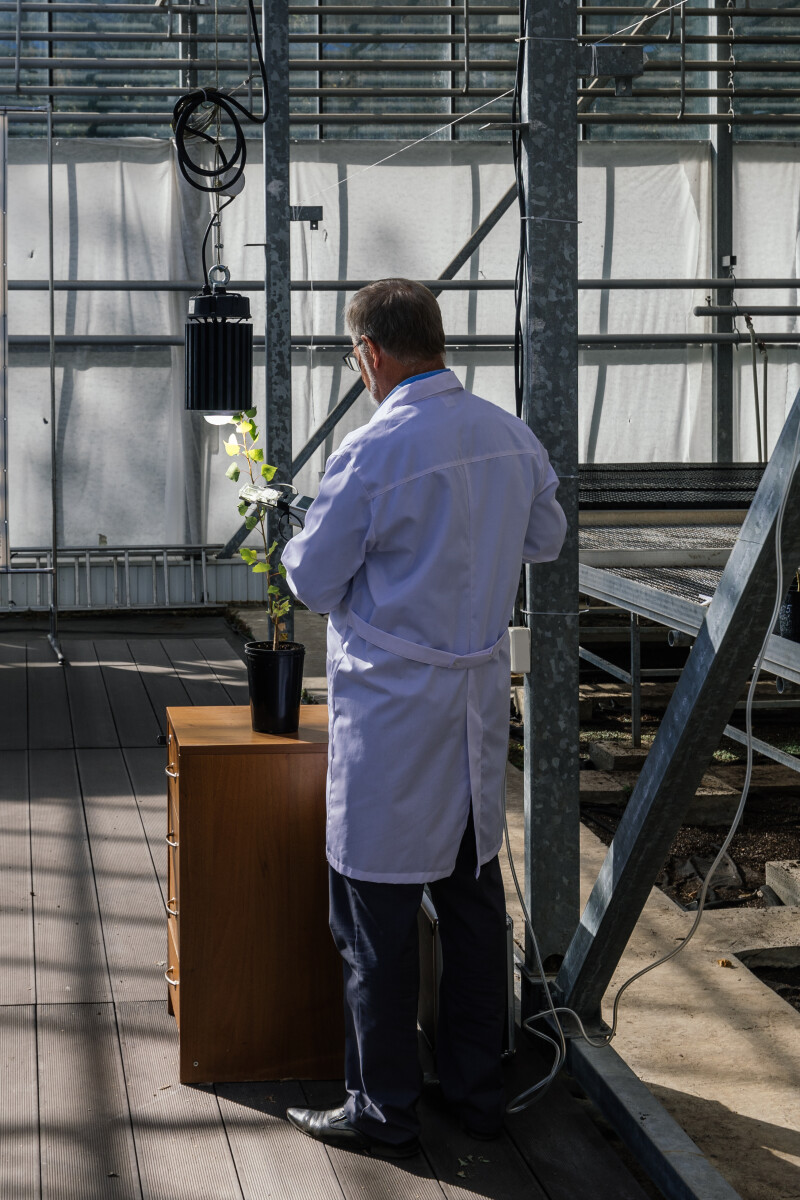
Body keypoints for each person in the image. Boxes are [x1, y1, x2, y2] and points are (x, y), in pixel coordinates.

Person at [281, 278, 567, 1158]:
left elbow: (311, 580)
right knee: (473, 905)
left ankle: (383, 1106)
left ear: (369, 353)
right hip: (472, 704)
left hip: (394, 714)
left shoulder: (372, 452)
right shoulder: (509, 438)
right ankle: (480, 1091)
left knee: (375, 916)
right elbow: (546, 541)